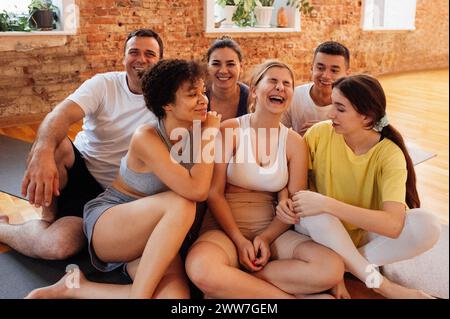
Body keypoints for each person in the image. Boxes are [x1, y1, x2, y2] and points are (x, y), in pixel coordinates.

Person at [26, 59, 222, 299]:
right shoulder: (146, 136)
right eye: (193, 94)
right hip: (112, 222)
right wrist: (211, 133)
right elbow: (197, 191)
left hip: (156, 234)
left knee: (174, 298)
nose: (204, 100)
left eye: (203, 92)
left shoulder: (196, 135)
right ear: (167, 104)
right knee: (182, 202)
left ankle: (76, 287)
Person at [185, 60, 345, 299]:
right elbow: (214, 193)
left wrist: (266, 237)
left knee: (331, 268)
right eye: (272, 81)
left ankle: (235, 285)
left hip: (272, 231)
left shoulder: (295, 143)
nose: (280, 87)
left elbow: (293, 204)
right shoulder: (229, 130)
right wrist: (239, 242)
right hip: (224, 230)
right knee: (201, 268)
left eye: (287, 84)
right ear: (255, 89)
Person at [0, 29, 163, 260]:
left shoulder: (167, 98)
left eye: (150, 54)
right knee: (52, 143)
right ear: (124, 57)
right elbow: (60, 115)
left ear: (160, 61)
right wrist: (42, 152)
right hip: (81, 175)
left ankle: (13, 228)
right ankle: (48, 216)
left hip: (121, 197)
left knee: (57, 247)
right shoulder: (103, 84)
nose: (141, 59)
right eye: (134, 52)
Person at [276, 74, 441, 299]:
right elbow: (291, 179)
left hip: (361, 235)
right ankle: (381, 285)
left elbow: (393, 225)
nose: (330, 113)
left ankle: (340, 268)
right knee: (316, 211)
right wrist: (284, 198)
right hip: (320, 232)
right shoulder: (319, 134)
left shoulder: (390, 154)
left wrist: (328, 203)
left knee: (428, 225)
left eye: (340, 108)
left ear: (366, 117)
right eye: (332, 104)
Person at [281, 41, 350, 136]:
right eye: (320, 68)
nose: (326, 75)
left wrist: (322, 130)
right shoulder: (294, 96)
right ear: (312, 68)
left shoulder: (353, 103)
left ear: (347, 74)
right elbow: (276, 131)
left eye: (334, 70)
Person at [205, 36, 249, 121]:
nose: (223, 71)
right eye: (216, 64)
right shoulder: (197, 98)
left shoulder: (252, 100)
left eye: (230, 64)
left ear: (241, 67)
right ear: (208, 67)